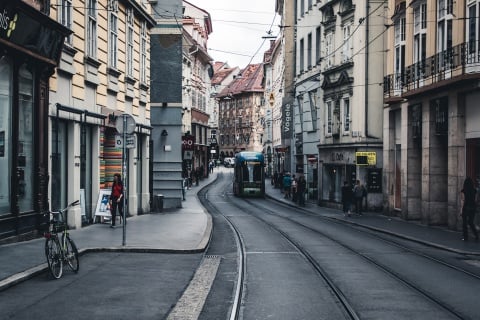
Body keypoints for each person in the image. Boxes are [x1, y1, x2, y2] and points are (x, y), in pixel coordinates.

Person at [460, 177, 479, 241]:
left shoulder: (463, 191)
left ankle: (465, 238)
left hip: (466, 207)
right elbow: (475, 200)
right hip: (473, 208)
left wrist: (461, 210)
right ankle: (476, 235)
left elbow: (463, 200)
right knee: (471, 222)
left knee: (464, 223)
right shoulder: (475, 190)